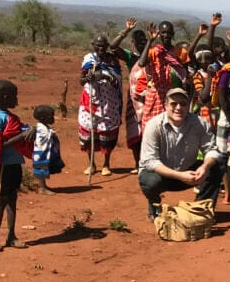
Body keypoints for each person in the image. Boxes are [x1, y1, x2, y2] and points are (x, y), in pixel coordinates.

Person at [138, 87, 224, 220]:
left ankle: (201, 208)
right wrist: (180, 175)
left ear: (188, 105)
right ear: (165, 105)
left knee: (218, 164)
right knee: (150, 181)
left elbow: (211, 150)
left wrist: (204, 167)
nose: (178, 108)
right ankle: (154, 204)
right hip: (162, 175)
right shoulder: (153, 125)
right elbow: (150, 162)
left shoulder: (199, 123)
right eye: (173, 104)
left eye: (183, 104)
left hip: (188, 171)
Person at [0, 80, 35, 252]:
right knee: (1, 200)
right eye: (14, 95)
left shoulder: (8, 116)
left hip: (15, 164)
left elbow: (16, 133)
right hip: (5, 165)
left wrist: (28, 132)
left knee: (12, 199)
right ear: (5, 97)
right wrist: (23, 136)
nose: (16, 99)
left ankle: (12, 236)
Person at [79, 34, 124, 175]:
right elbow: (81, 80)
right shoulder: (88, 59)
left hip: (108, 102)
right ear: (93, 45)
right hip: (91, 101)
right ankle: (91, 164)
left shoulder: (113, 60)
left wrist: (105, 76)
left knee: (107, 133)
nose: (101, 48)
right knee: (89, 132)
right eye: (98, 45)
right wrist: (87, 78)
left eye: (104, 46)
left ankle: (106, 164)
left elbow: (117, 81)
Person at [108, 18, 148, 172]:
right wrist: (126, 30)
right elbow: (113, 46)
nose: (141, 43)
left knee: (149, 131)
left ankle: (147, 163)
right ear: (132, 43)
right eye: (137, 41)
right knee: (135, 130)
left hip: (150, 97)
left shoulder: (152, 55)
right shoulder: (131, 57)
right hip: (134, 98)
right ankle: (138, 164)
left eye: (144, 41)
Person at [138, 21, 190, 128]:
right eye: (163, 32)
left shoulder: (181, 52)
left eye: (169, 32)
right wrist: (150, 41)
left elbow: (185, 76)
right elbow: (141, 63)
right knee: (150, 127)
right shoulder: (153, 51)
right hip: (155, 95)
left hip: (173, 95)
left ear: (173, 34)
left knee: (171, 128)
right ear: (159, 34)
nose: (166, 35)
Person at [32, 105, 64, 195]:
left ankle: (43, 186)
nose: (53, 118)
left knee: (43, 170)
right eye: (51, 116)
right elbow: (42, 141)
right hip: (41, 154)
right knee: (41, 170)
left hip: (43, 154)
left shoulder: (43, 127)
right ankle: (42, 188)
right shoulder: (42, 129)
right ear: (43, 118)